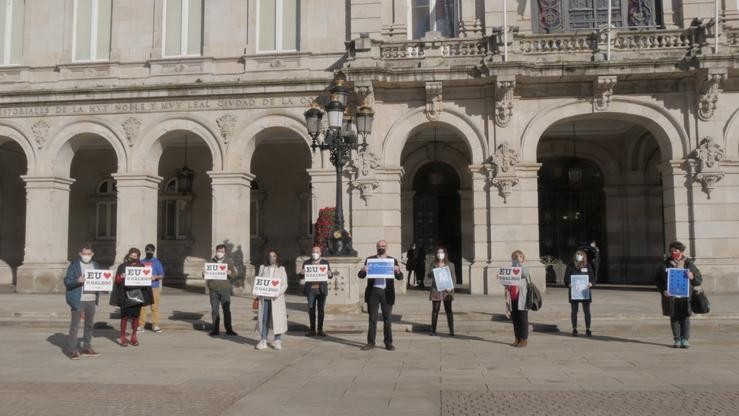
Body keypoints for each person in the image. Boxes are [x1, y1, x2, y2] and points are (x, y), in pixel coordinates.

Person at [357, 240, 404, 351]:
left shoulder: (392, 260)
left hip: (387, 292)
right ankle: (370, 343)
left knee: (387, 319)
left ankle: (388, 343)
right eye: (379, 246)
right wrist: (363, 270)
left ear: (386, 247)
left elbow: (400, 277)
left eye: (383, 246)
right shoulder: (370, 260)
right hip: (374, 292)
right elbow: (361, 275)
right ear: (376, 247)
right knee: (372, 319)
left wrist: (397, 271)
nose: (381, 247)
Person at [656, 241, 702, 348]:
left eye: (675, 251)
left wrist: (692, 277)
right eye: (671, 251)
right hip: (671, 296)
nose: (673, 253)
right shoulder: (665, 264)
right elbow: (657, 280)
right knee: (674, 317)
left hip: (686, 296)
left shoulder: (688, 263)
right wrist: (663, 290)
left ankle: (685, 339)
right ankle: (677, 339)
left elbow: (698, 279)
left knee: (685, 317)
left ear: (681, 251)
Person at [64, 244, 102, 359]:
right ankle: (72, 350)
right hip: (79, 299)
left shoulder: (95, 265)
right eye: (84, 254)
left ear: (92, 254)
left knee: (89, 325)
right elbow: (67, 282)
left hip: (92, 299)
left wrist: (107, 281)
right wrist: (78, 280)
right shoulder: (74, 265)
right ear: (80, 254)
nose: (87, 256)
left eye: (89, 254)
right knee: (75, 326)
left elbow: (99, 280)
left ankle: (86, 347)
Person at [110, 248, 154, 347]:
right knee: (124, 317)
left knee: (135, 317)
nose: (133, 257)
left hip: (137, 295)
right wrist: (121, 276)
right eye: (131, 255)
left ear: (138, 257)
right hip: (124, 294)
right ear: (128, 255)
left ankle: (134, 336)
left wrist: (149, 278)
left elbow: (145, 281)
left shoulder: (142, 266)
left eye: (135, 256)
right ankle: (122, 337)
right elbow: (117, 281)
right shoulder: (122, 266)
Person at [255, 250, 289, 350]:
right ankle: (263, 340)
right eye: (270, 256)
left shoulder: (281, 269)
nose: (272, 258)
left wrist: (277, 294)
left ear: (277, 257)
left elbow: (284, 284)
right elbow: (259, 282)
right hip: (265, 298)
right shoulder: (263, 268)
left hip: (276, 299)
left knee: (276, 319)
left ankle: (277, 340)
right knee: (264, 319)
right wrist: (256, 291)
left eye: (274, 256)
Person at [299, 246, 332, 337]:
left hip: (321, 290)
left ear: (320, 253)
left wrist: (330, 274)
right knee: (311, 309)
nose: (315, 254)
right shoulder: (307, 263)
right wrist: (301, 273)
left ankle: (320, 329)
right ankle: (312, 330)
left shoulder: (325, 263)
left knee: (321, 310)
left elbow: (330, 275)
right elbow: (301, 276)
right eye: (313, 252)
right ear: (311, 253)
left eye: (317, 252)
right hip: (311, 290)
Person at [207, 244, 238, 337]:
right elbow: (205, 275)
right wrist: (204, 273)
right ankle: (215, 329)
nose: (220, 253)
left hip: (225, 289)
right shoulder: (210, 261)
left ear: (225, 252)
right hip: (213, 290)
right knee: (214, 310)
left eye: (222, 251)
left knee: (226, 310)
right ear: (215, 251)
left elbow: (234, 275)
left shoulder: (229, 261)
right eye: (219, 251)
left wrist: (230, 273)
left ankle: (229, 329)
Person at [564, 249, 595, 337]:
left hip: (585, 293)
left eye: (580, 254)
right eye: (577, 254)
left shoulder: (588, 266)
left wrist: (590, 283)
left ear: (584, 256)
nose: (579, 255)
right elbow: (566, 279)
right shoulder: (570, 266)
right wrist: (569, 284)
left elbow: (592, 278)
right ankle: (574, 328)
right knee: (574, 311)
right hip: (575, 292)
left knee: (587, 311)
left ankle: (588, 328)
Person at [505, 250, 531, 347]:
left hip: (522, 298)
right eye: (514, 258)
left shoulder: (524, 267)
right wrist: (502, 278)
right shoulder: (511, 269)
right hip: (512, 297)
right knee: (515, 319)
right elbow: (506, 283)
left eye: (518, 257)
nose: (515, 260)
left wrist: (520, 264)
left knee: (523, 319)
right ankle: (517, 338)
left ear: (523, 258)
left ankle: (524, 339)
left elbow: (524, 274)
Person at [427, 246, 455, 336]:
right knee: (435, 309)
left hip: (447, 290)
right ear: (436, 254)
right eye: (438, 252)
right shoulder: (433, 264)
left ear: (445, 254)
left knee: (448, 310)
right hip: (436, 289)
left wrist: (451, 287)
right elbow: (429, 276)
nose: (440, 254)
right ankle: (433, 329)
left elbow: (453, 278)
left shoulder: (450, 265)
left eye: (442, 252)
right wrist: (431, 273)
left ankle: (451, 329)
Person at [139, 243, 165, 334]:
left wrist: (156, 277)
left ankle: (155, 325)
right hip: (144, 287)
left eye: (150, 251)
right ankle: (141, 325)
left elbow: (162, 275)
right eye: (147, 251)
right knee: (143, 307)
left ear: (153, 251)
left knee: (155, 307)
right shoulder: (141, 262)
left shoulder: (157, 262)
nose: (149, 252)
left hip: (154, 287)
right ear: (145, 251)